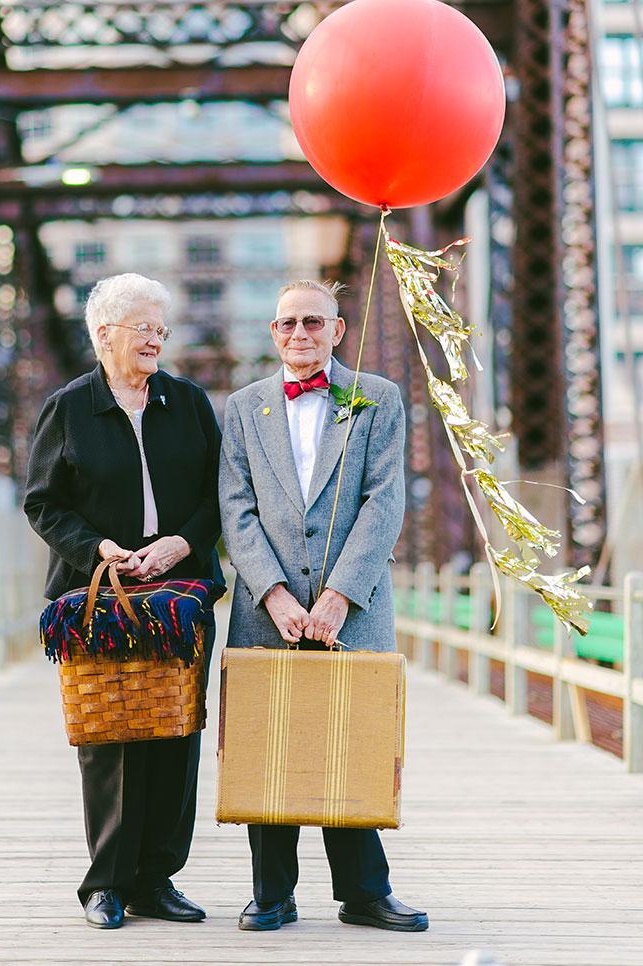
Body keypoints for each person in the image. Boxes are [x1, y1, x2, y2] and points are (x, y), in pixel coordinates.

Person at [219, 277, 428, 934]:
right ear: (273, 333)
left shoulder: (378, 399)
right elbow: (236, 508)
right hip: (266, 608)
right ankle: (271, 894)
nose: (300, 334)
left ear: (339, 329)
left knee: (353, 737)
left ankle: (365, 892)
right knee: (267, 741)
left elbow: (383, 500)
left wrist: (339, 596)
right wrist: (274, 594)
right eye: (287, 324)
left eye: (314, 322)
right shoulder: (243, 406)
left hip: (355, 606)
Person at [24, 272, 224, 930]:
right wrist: (97, 548)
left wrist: (179, 544)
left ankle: (156, 878)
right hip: (99, 595)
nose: (156, 340)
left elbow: (217, 496)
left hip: (179, 592)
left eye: (162, 330)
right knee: (109, 735)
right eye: (145, 328)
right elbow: (43, 503)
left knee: (174, 730)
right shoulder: (70, 407)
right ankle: (105, 883)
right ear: (104, 333)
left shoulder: (188, 403)